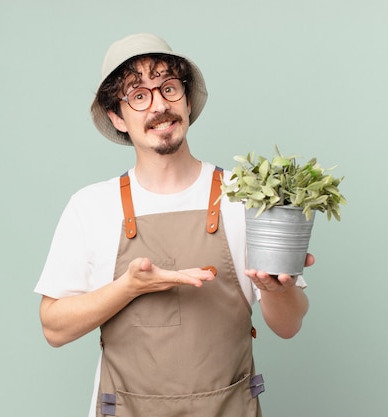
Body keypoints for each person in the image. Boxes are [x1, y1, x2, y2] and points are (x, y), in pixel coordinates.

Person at [34, 33, 313, 417]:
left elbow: (289, 326)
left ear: (185, 98)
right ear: (117, 115)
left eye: (168, 88)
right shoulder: (90, 207)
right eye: (138, 95)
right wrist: (128, 288)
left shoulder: (245, 195)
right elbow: (53, 328)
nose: (159, 106)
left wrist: (278, 291)